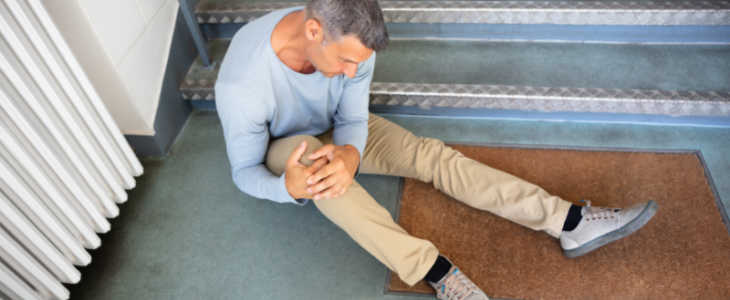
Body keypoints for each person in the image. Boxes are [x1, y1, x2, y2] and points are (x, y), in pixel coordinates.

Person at [215, 1, 658, 299]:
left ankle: (570, 220)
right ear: (314, 31)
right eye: (347, 62)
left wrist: (350, 153)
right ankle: (438, 273)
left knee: (429, 157)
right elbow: (244, 171)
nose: (354, 70)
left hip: (335, 129)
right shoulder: (243, 85)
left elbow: (351, 118)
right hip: (286, 149)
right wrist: (289, 189)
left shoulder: (356, 47)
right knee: (320, 174)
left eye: (359, 62)